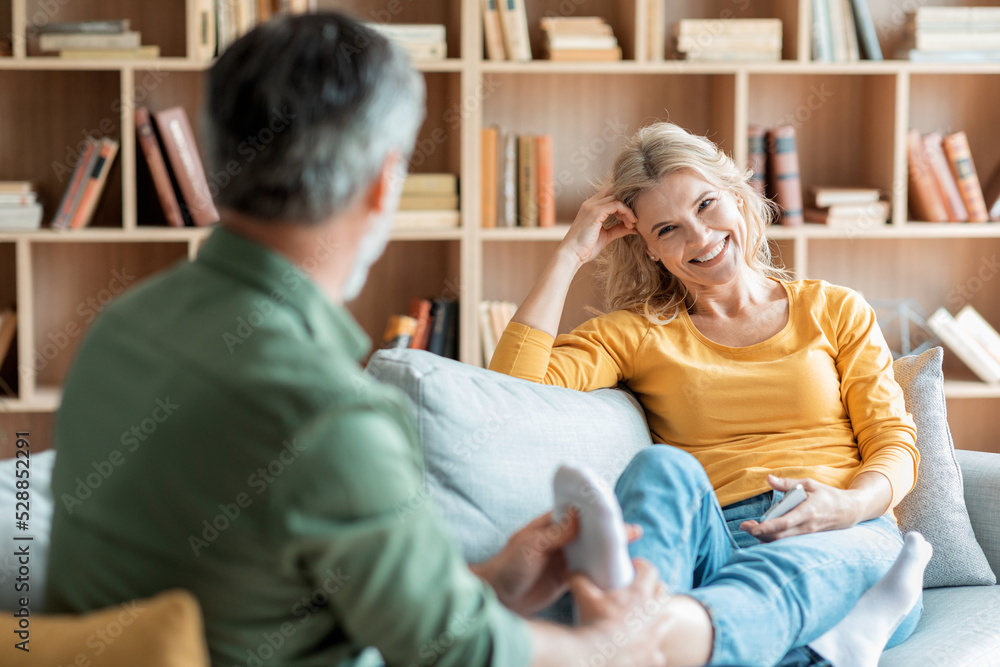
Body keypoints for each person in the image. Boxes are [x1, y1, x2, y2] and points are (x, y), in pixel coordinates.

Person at [44, 13, 681, 667]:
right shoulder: (329, 412)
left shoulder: (118, 329)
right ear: (384, 183)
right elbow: (459, 653)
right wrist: (609, 647)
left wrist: (487, 579)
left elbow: (293, 600)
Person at [489, 121, 933, 667]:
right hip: (719, 540)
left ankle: (646, 640)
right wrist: (570, 254)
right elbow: (513, 392)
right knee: (660, 469)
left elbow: (893, 441)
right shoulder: (637, 332)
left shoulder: (835, 309)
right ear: (648, 249)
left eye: (706, 204)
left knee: (810, 569)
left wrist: (849, 504)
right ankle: (822, 641)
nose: (699, 237)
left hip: (849, 533)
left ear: (738, 194)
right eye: (668, 230)